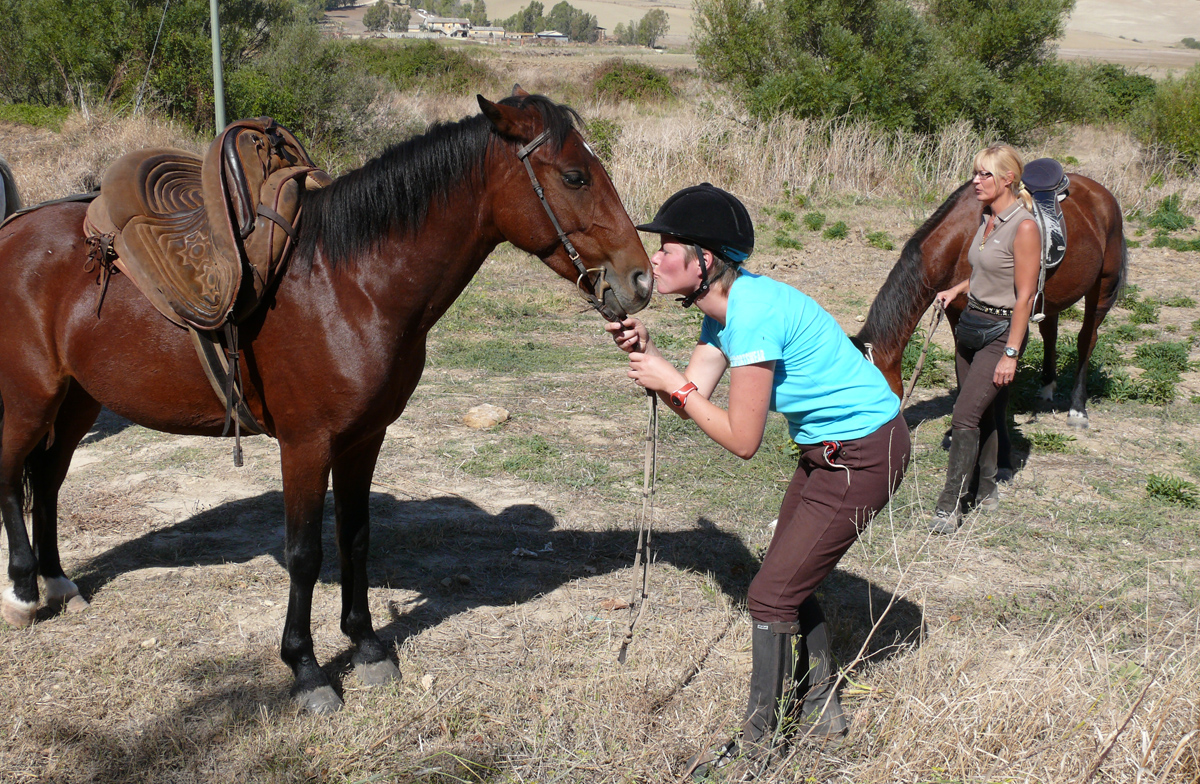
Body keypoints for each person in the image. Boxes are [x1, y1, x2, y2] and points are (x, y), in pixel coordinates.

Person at [605, 184, 910, 777]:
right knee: (786, 578)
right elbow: (693, 399)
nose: (656, 259)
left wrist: (675, 381)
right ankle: (822, 709)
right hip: (828, 453)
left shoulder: (753, 315)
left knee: (771, 594)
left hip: (865, 453)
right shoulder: (724, 315)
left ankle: (758, 749)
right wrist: (654, 362)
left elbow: (742, 441)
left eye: (670, 248)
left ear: (706, 260)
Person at [929, 145, 1039, 535]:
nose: (976, 181)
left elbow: (1025, 294)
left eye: (985, 174)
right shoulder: (987, 218)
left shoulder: (1023, 227)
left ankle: (949, 507)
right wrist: (956, 289)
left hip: (999, 333)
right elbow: (984, 271)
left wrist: (1011, 352)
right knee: (983, 412)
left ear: (1008, 178)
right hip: (969, 327)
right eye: (975, 173)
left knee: (963, 415)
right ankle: (987, 489)